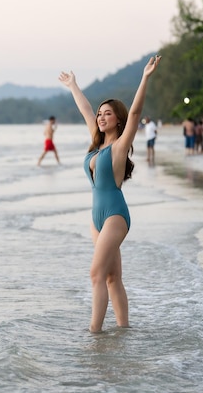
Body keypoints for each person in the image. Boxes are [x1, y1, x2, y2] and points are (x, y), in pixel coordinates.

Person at [58, 55, 161, 333]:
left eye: (107, 114)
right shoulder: (96, 143)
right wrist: (73, 86)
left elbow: (137, 114)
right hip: (96, 218)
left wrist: (145, 77)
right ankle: (123, 329)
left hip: (115, 214)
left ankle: (94, 333)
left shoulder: (118, 147)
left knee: (96, 274)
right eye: (100, 114)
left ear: (118, 121)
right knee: (112, 277)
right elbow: (85, 110)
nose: (101, 117)